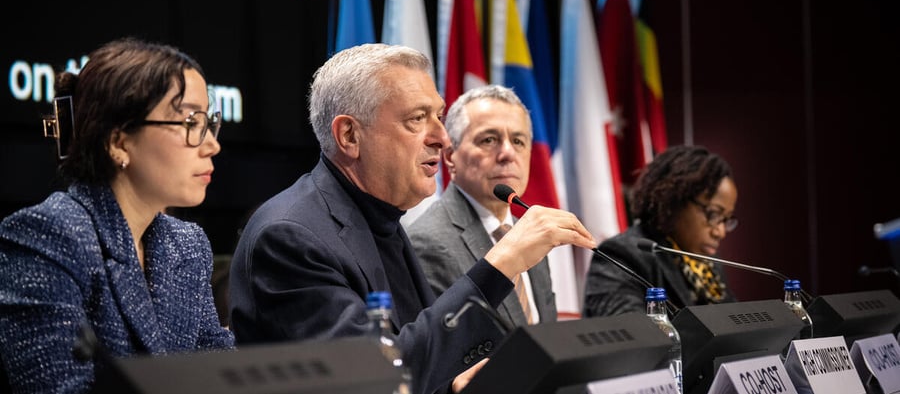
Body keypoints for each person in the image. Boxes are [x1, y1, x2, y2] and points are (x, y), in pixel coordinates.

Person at [228, 44, 594, 394]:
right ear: (349, 135)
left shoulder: (380, 217)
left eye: (438, 115)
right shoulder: (291, 236)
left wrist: (450, 386)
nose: (441, 138)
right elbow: (367, 380)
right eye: (417, 119)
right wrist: (501, 265)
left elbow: (410, 354)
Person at [0, 37, 234, 393]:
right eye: (189, 122)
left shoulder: (188, 244)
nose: (211, 144)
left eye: (207, 122)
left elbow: (219, 373)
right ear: (119, 142)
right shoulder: (47, 236)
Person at [407, 85, 556, 330]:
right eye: (489, 140)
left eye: (518, 141)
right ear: (450, 157)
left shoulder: (528, 232)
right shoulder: (428, 243)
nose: (507, 153)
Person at [583, 144, 739, 317]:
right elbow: (630, 333)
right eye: (713, 214)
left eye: (726, 219)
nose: (720, 232)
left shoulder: (708, 265)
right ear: (675, 200)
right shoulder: (621, 255)